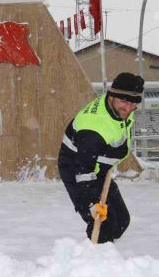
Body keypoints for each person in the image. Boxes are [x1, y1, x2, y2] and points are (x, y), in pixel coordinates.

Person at [58, 72, 144, 243]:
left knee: (121, 221)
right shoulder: (94, 128)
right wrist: (91, 203)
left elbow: (118, 128)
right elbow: (82, 170)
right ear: (111, 96)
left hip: (98, 167)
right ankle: (95, 260)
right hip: (77, 170)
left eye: (133, 103)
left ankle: (106, 251)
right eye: (124, 102)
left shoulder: (120, 109)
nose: (128, 109)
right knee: (101, 222)